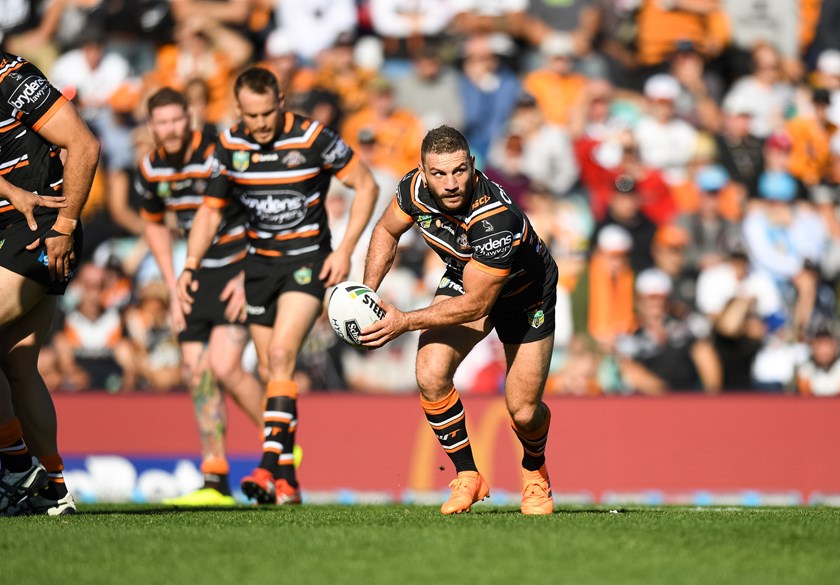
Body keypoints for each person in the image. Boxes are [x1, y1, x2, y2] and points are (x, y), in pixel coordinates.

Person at [178, 67, 378, 505]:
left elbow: (366, 185)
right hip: (258, 267)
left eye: (267, 113)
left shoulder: (313, 138)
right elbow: (210, 211)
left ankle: (267, 467)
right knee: (271, 372)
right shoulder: (230, 145)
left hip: (307, 262)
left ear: (281, 103)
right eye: (251, 115)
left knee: (284, 355)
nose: (261, 123)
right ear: (238, 111)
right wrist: (190, 264)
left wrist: (345, 249)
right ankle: (288, 481)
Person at [360, 125, 558, 515]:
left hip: (525, 296)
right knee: (430, 372)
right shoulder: (412, 189)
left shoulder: (495, 217)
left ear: (472, 165)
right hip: (466, 275)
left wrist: (404, 321)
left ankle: (535, 469)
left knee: (523, 411)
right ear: (422, 171)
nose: (450, 183)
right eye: (438, 173)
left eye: (458, 171)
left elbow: (477, 305)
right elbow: (386, 229)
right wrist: (366, 293)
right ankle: (468, 475)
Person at [136, 87, 264, 505]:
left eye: (177, 119)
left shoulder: (217, 153)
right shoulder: (151, 168)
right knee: (197, 373)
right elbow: (154, 223)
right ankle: (215, 479)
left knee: (225, 367)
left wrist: (247, 273)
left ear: (189, 117)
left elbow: (259, 206)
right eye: (162, 122)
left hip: (236, 266)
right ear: (151, 126)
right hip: (194, 273)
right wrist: (172, 283)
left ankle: (280, 446)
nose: (171, 129)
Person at [0, 51, 100, 515]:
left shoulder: (10, 77)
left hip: (40, 228)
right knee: (17, 363)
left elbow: (84, 145)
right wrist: (8, 189)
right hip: (13, 229)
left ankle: (18, 469)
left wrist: (64, 226)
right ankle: (53, 489)